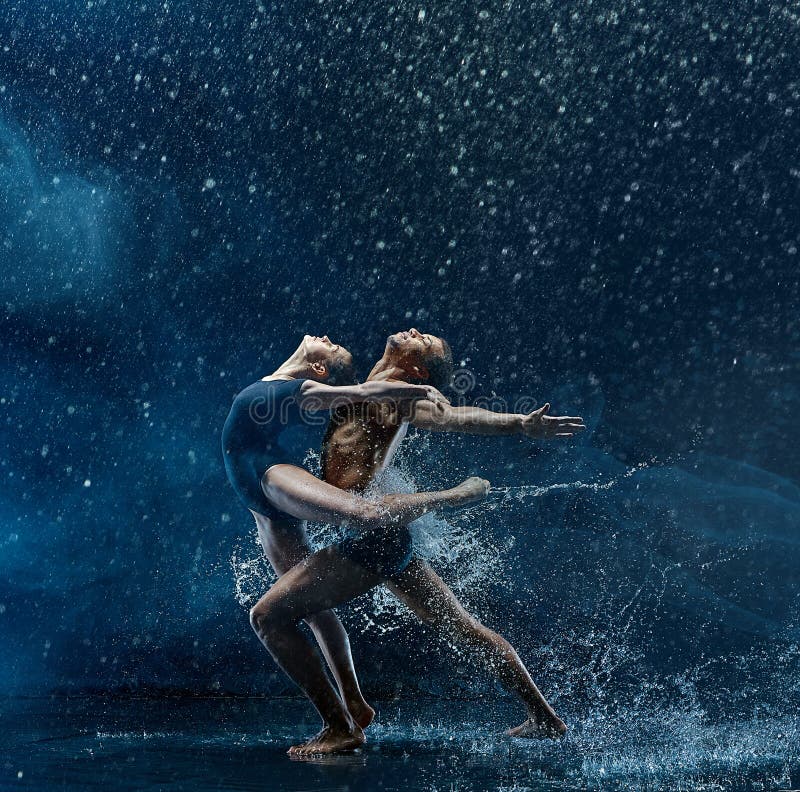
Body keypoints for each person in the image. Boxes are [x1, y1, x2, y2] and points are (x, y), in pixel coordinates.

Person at [222, 334, 490, 755]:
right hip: (259, 505)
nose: (325, 339)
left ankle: (339, 728)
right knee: (310, 609)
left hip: (271, 477)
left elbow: (364, 391)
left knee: (364, 516)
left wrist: (416, 391)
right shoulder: (279, 379)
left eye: (329, 349)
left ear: (319, 370)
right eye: (328, 343)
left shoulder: (305, 388)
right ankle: (353, 704)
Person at [319, 329, 585, 743]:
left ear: (417, 367)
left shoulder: (400, 395)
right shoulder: (373, 386)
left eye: (424, 340)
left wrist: (518, 422)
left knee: (281, 614)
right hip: (379, 532)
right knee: (464, 629)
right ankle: (544, 718)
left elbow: (451, 417)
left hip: (375, 535)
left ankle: (344, 721)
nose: (414, 331)